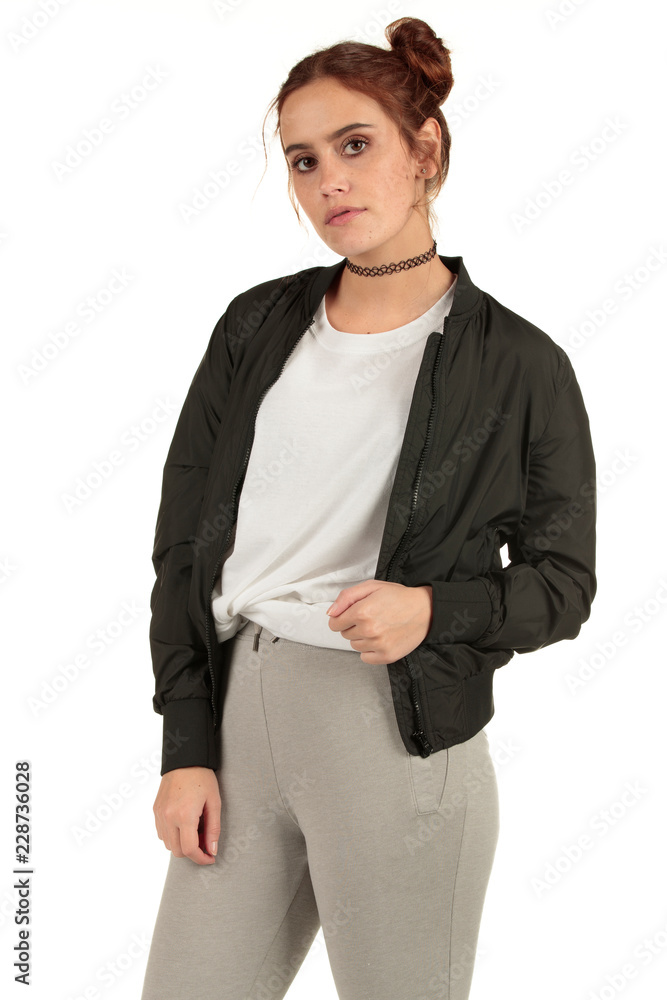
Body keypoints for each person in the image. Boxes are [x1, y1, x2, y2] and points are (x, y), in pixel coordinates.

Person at [140, 16, 597, 1000]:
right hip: (240, 716)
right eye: (303, 160)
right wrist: (186, 747)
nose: (327, 182)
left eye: (355, 145)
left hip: (395, 735)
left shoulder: (520, 365)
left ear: (424, 150)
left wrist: (434, 609)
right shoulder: (254, 326)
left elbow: (563, 586)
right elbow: (182, 549)